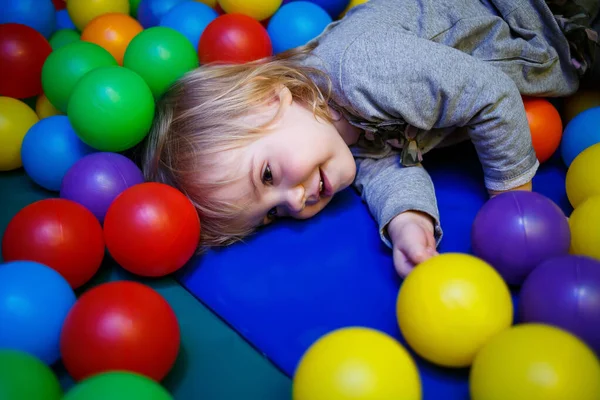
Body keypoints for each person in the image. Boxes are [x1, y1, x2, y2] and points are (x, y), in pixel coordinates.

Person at [139, 0, 598, 277]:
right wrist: (408, 221)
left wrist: (510, 202)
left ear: (271, 99)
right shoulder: (327, 131)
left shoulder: (362, 70)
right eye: (272, 214)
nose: (294, 202)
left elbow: (491, 97)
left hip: (554, 17)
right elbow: (381, 162)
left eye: (268, 175)